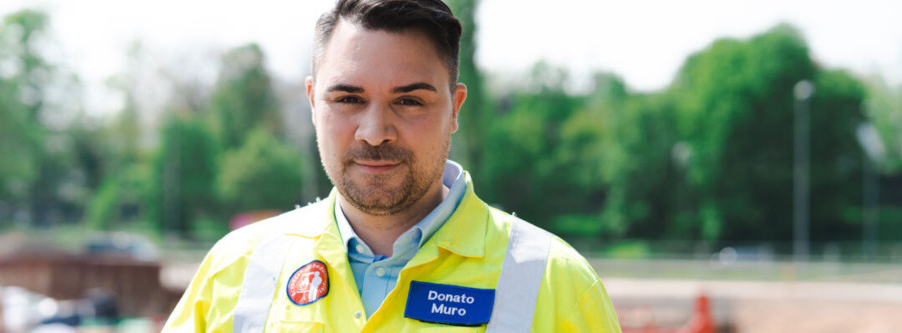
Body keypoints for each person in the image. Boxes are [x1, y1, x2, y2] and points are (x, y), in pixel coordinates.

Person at [162, 0, 621, 331]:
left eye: (409, 100)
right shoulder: (234, 270)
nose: (374, 131)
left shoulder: (558, 285)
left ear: (456, 108)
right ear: (311, 102)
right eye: (347, 98)